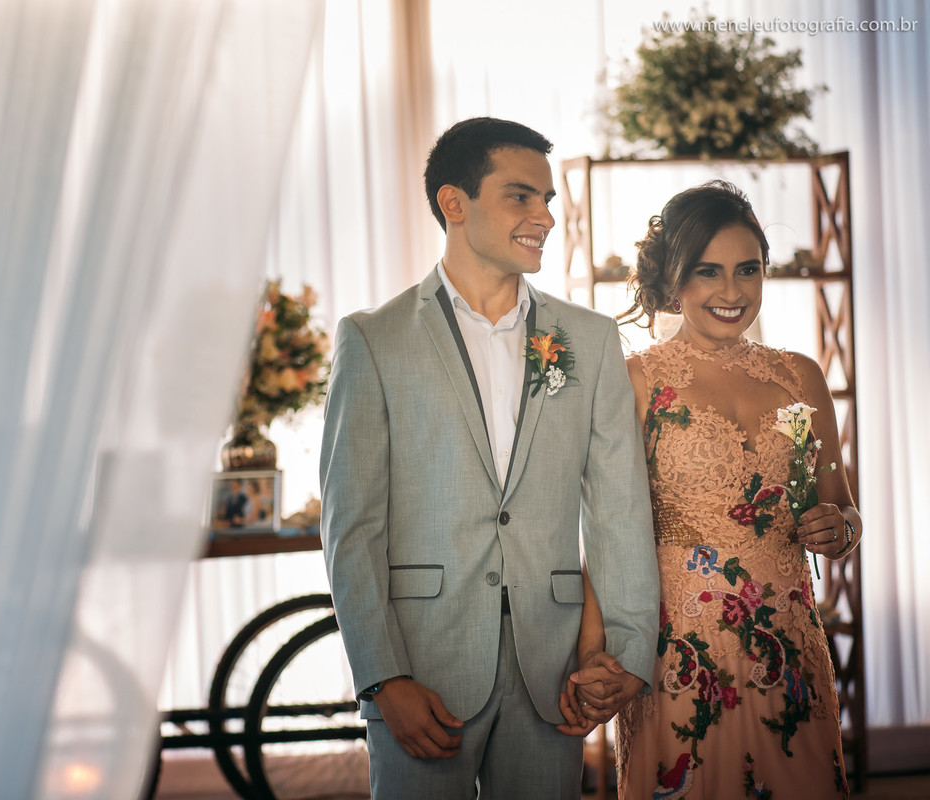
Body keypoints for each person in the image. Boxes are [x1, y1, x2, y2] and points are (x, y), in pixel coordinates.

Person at [319, 116, 660, 798]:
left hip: (553, 672)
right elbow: (352, 528)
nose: (544, 216)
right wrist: (383, 679)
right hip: (422, 667)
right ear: (455, 203)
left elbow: (620, 508)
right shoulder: (373, 340)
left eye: (548, 200)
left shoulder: (588, 341)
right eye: (521, 196)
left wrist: (625, 653)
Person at [577, 180, 858, 797]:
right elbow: (606, 532)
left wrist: (839, 530)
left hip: (790, 648)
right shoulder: (637, 382)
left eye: (747, 270)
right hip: (680, 654)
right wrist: (593, 651)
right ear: (674, 278)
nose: (732, 293)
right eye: (708, 272)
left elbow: (839, 506)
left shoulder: (800, 377)